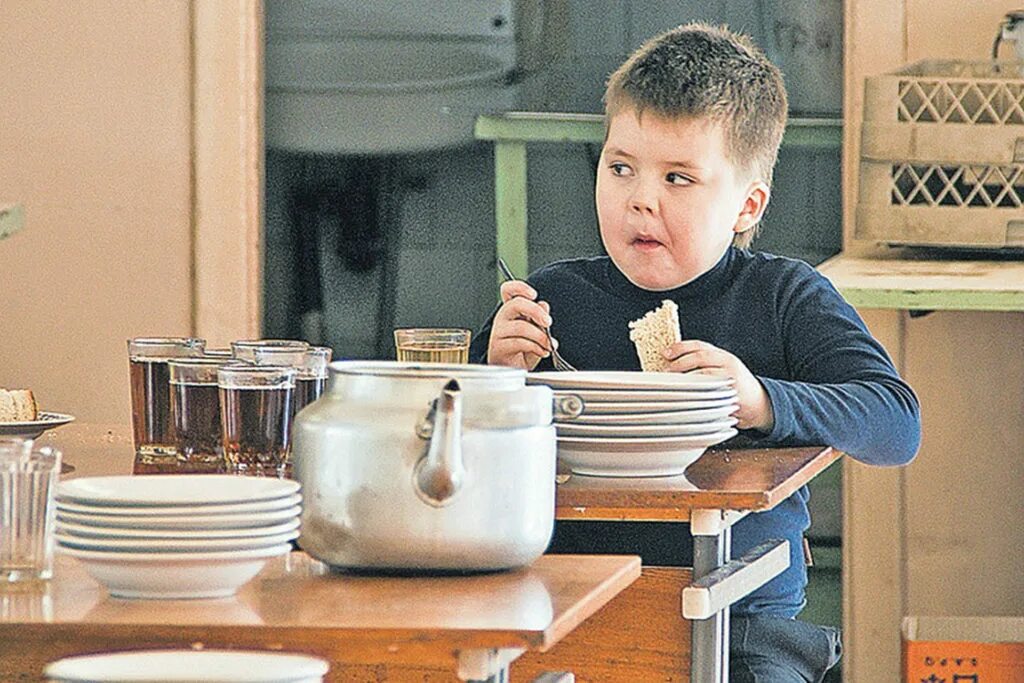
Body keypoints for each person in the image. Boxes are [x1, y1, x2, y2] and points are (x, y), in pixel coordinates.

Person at [469, 21, 921, 683]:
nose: (641, 198)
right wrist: (493, 380)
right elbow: (455, 462)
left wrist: (760, 398)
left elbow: (895, 421)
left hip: (741, 622)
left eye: (678, 178)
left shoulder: (784, 297)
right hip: (570, 610)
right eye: (620, 167)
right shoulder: (550, 299)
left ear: (747, 204)